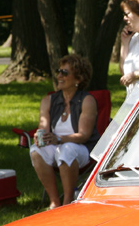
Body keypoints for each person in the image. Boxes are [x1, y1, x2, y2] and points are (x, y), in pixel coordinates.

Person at [30, 53, 99, 209]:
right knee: (35, 150)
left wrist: (59, 139)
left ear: (78, 79)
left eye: (65, 72)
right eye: (58, 71)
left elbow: (84, 135)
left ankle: (67, 202)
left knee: (66, 149)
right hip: (57, 146)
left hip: (82, 149)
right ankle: (54, 201)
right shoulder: (48, 101)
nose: (59, 76)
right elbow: (43, 128)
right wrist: (41, 137)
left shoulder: (87, 100)